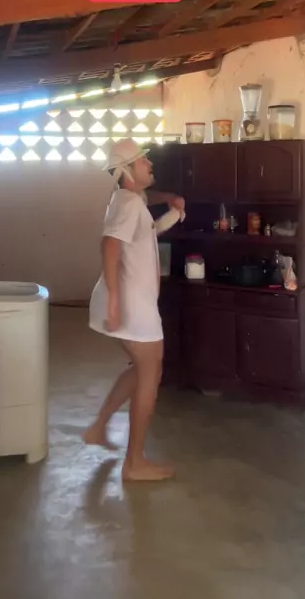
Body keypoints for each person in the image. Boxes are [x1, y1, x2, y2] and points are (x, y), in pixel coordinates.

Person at [85, 138, 184, 481]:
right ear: (127, 171)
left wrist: (169, 201)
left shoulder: (128, 198)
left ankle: (99, 427)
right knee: (150, 374)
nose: (150, 164)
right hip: (133, 306)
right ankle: (135, 463)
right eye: (143, 161)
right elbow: (110, 246)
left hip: (134, 303)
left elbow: (146, 215)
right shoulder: (129, 204)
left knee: (142, 370)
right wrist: (115, 300)